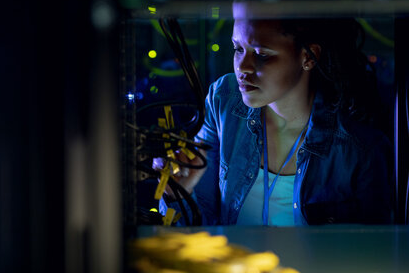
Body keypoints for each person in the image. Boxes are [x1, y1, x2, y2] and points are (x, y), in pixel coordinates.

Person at [159, 17, 394, 226]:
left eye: (261, 55)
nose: (242, 67)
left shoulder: (359, 146)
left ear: (308, 57)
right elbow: (200, 227)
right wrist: (177, 193)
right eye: (237, 48)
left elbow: (375, 248)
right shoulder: (224, 100)